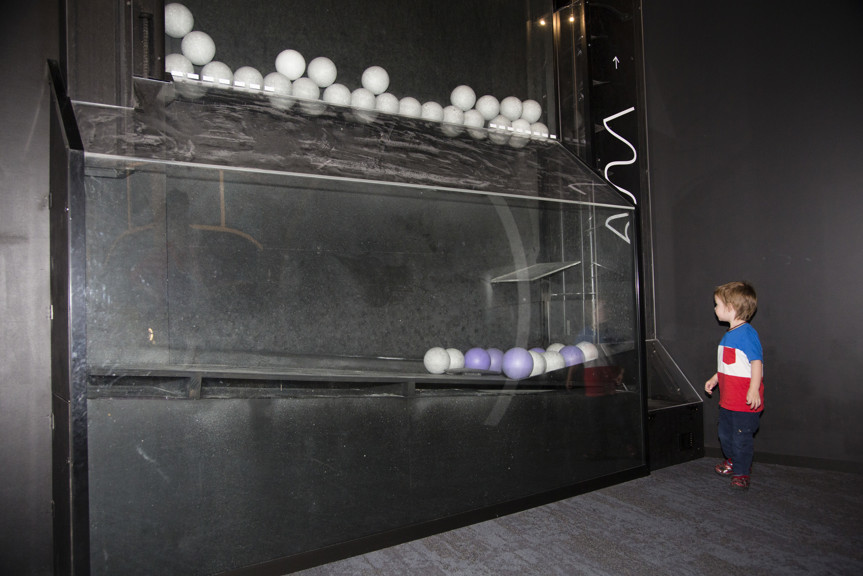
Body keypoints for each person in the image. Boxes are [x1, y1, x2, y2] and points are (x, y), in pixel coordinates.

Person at [704, 281, 764, 490]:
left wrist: (754, 389)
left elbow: (756, 362)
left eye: (717, 305)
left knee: (741, 438)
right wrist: (715, 379)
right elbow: (727, 365)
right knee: (725, 435)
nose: (715, 309)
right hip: (727, 401)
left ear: (730, 308)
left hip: (743, 403)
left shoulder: (747, 334)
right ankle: (733, 460)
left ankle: (741, 472)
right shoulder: (729, 335)